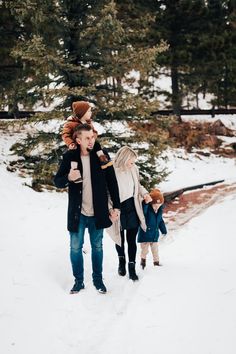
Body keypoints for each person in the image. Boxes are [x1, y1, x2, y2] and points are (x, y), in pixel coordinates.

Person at [54, 124, 120, 294]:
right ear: (78, 140)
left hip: (98, 213)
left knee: (97, 247)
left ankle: (98, 279)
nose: (91, 141)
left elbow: (112, 183)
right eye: (87, 138)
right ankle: (79, 281)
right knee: (75, 248)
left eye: (93, 137)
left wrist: (117, 207)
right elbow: (57, 181)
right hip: (78, 214)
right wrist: (69, 177)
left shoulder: (102, 156)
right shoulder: (70, 157)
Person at [107, 146, 152, 281]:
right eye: (131, 162)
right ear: (124, 159)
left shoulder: (134, 169)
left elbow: (138, 186)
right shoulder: (111, 170)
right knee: (119, 238)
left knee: (131, 239)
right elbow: (106, 192)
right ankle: (122, 262)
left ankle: (132, 267)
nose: (133, 164)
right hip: (117, 207)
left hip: (132, 206)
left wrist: (145, 194)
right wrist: (110, 209)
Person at [61, 101, 112, 169]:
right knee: (74, 156)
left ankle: (103, 160)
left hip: (89, 145)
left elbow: (95, 132)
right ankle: (74, 169)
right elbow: (65, 134)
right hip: (77, 145)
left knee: (97, 145)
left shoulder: (89, 123)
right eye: (88, 111)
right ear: (82, 113)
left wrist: (92, 136)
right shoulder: (70, 124)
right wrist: (70, 143)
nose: (91, 113)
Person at [138, 189, 167, 268]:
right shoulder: (147, 210)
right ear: (151, 203)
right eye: (155, 205)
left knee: (155, 250)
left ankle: (156, 262)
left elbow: (160, 221)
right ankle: (143, 262)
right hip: (145, 234)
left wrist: (164, 231)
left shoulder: (159, 211)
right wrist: (146, 203)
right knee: (145, 250)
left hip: (154, 234)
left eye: (159, 205)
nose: (157, 207)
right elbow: (143, 212)